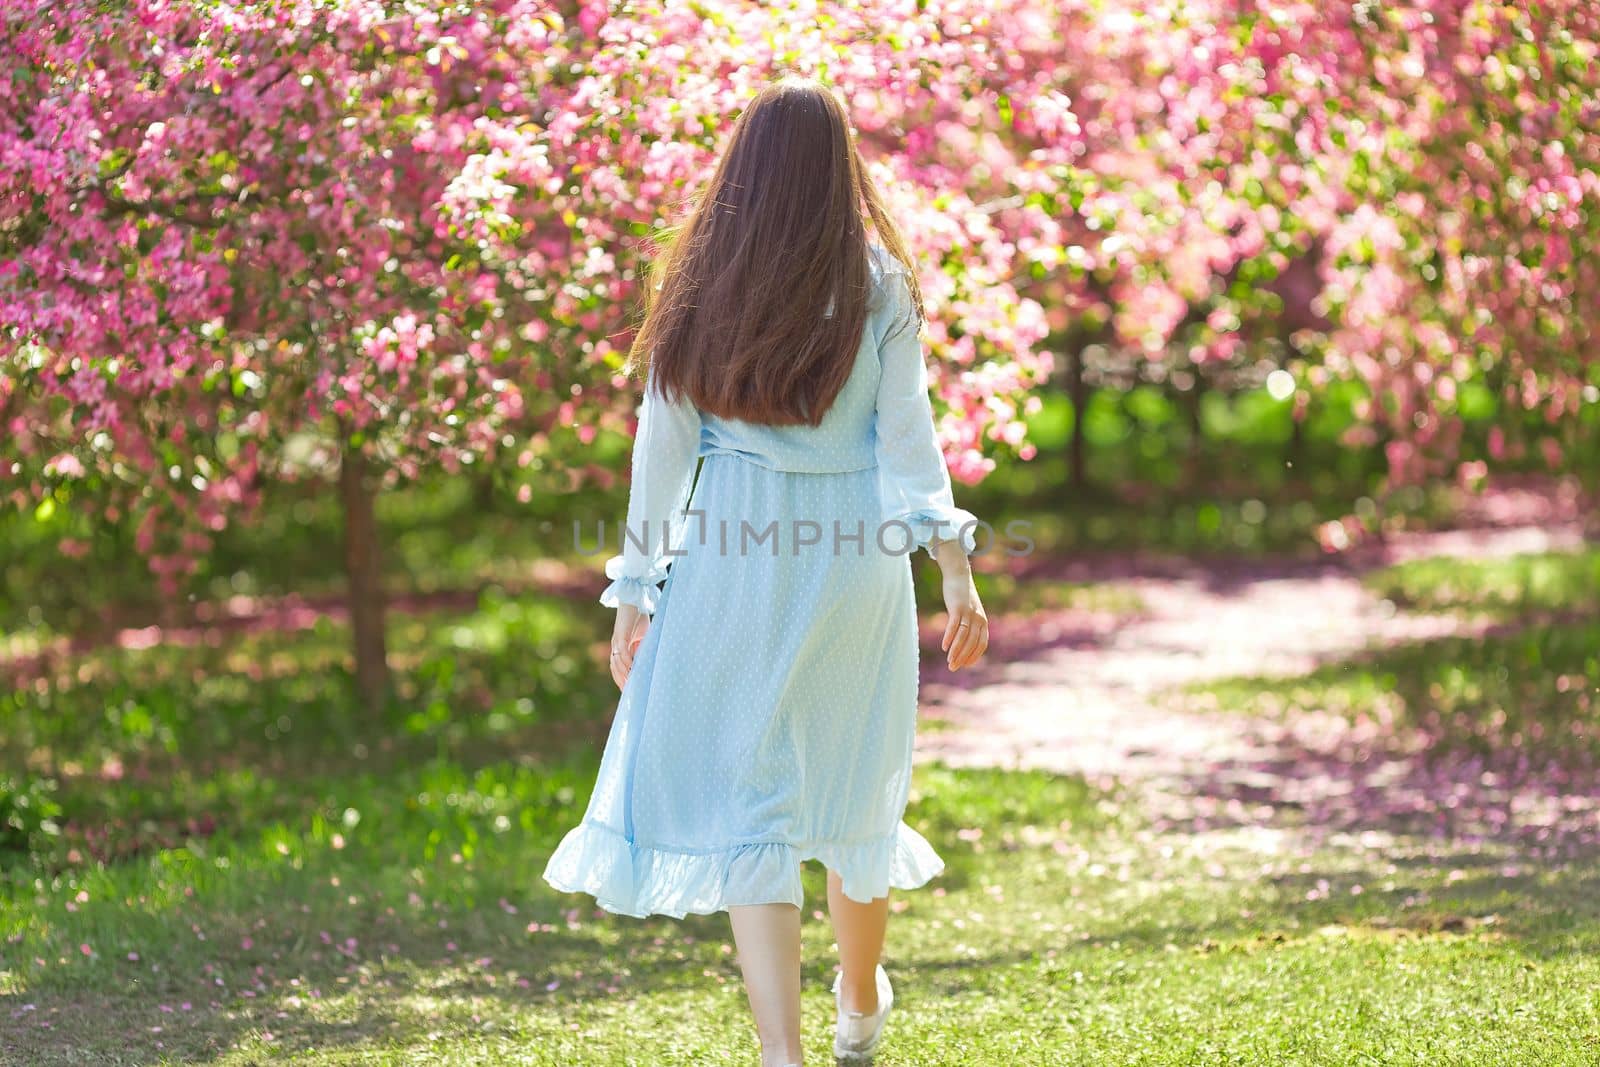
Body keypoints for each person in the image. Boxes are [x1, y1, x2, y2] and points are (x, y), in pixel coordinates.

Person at [541, 75, 990, 1066]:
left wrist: (635, 591)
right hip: (851, 555)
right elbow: (908, 444)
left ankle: (784, 1053)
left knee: (756, 797)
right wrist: (954, 568)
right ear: (840, 167)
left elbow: (660, 456)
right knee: (855, 780)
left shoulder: (701, 282)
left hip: (731, 554)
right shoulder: (881, 281)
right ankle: (858, 998)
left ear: (740, 166)